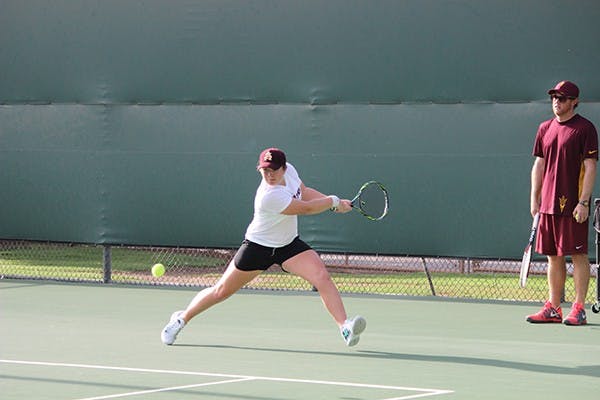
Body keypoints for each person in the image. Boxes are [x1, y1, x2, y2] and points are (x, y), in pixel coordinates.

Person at [161, 148, 366, 346]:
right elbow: (305, 208)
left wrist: (334, 204)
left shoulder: (291, 171)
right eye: (265, 170)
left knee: (321, 276)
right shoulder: (269, 196)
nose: (269, 175)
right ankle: (181, 318)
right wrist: (333, 201)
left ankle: (344, 327)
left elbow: (304, 192)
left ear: (284, 168)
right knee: (221, 291)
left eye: (273, 170)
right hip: (258, 247)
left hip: (288, 245)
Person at [527, 80, 598, 326]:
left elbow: (590, 167)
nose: (557, 101)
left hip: (573, 204)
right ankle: (554, 307)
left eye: (563, 98)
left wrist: (584, 201)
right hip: (547, 204)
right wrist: (534, 197)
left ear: (574, 102)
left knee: (578, 255)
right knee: (553, 257)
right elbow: (539, 164)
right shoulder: (544, 128)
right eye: (554, 97)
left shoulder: (585, 129)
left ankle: (578, 307)